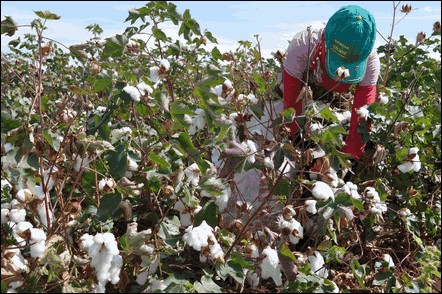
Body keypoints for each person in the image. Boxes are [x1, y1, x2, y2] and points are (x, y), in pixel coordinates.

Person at [282, 5, 380, 161]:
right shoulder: (303, 44)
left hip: (338, 94)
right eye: (337, 61)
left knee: (339, 133)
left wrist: (348, 158)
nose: (338, 73)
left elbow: (363, 115)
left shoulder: (371, 62)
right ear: (324, 40)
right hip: (303, 87)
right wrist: (297, 142)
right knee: (281, 125)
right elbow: (291, 100)